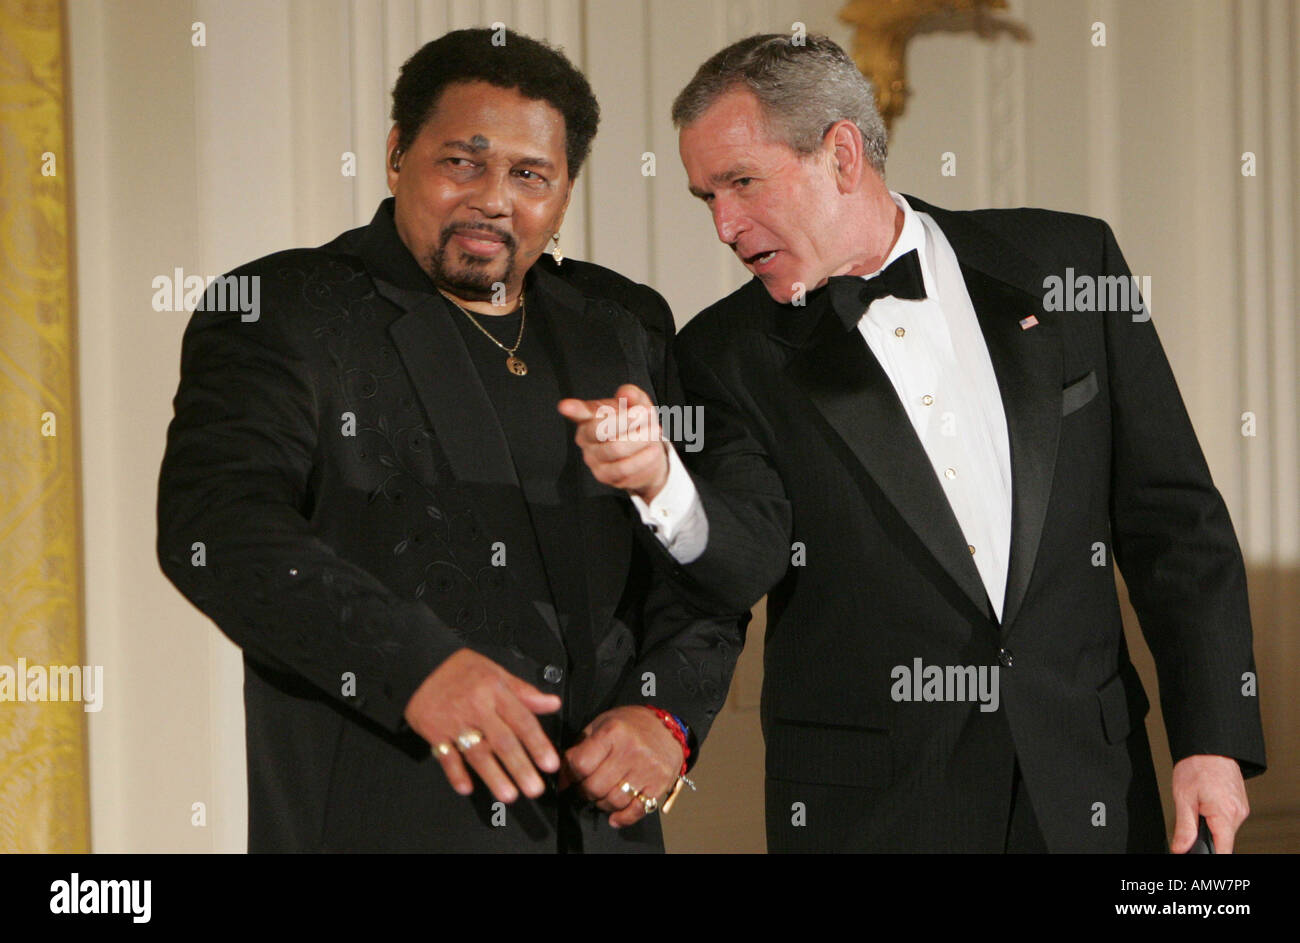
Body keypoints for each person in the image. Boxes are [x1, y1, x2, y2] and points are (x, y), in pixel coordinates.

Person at [563, 33, 1266, 852]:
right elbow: (745, 557)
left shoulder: (1069, 262)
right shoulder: (726, 353)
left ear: (842, 153)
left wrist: (1211, 740)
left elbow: (1174, 522)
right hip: (874, 812)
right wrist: (661, 483)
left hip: (1093, 790)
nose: (724, 223)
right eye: (705, 197)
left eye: (741, 183)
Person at [156, 27, 744, 853]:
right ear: (398, 154)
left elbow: (698, 558)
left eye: (530, 174)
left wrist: (668, 716)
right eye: (463, 162)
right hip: (380, 823)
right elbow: (216, 527)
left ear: (566, 190)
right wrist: (418, 664)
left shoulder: (624, 324)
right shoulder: (283, 306)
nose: (494, 198)